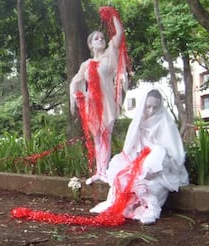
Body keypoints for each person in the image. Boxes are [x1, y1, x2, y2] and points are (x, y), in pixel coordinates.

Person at [89, 89, 189, 224]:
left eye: (155, 107)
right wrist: (136, 158)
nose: (151, 111)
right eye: (148, 107)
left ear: (160, 107)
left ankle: (147, 208)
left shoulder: (167, 124)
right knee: (124, 177)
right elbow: (132, 146)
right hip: (139, 160)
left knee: (151, 184)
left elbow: (173, 152)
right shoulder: (139, 122)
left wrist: (155, 159)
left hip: (159, 165)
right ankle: (126, 205)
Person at [70, 6, 129, 185]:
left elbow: (119, 34)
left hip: (107, 102)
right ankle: (99, 171)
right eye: (96, 38)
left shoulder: (110, 54)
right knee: (97, 138)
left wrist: (113, 15)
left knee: (106, 136)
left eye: (102, 37)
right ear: (90, 45)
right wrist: (77, 96)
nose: (100, 39)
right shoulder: (86, 64)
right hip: (92, 104)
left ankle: (104, 171)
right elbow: (76, 82)